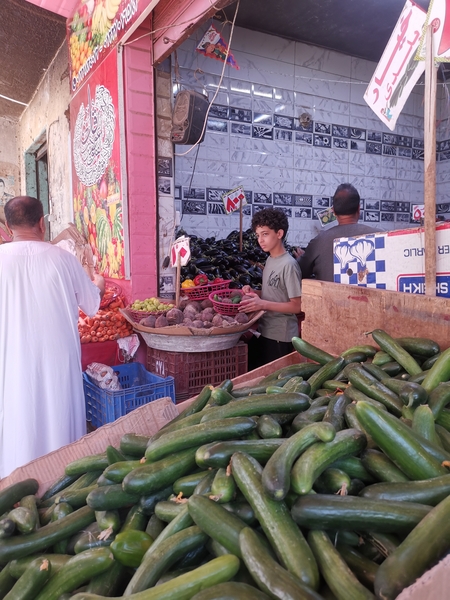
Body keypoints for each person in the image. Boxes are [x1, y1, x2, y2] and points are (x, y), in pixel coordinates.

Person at [0, 196, 105, 478]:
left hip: (12, 359)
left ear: (8, 227)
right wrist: (100, 283)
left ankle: (16, 481)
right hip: (58, 358)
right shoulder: (63, 259)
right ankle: (63, 480)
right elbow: (93, 304)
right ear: (41, 224)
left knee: (17, 414)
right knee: (61, 413)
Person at [239, 207, 302, 370]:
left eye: (265, 234)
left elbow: (297, 305)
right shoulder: (269, 260)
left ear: (279, 234)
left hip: (282, 336)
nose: (260, 240)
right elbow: (272, 293)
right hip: (265, 331)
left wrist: (262, 304)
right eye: (258, 235)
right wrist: (254, 293)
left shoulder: (289, 264)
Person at [295, 183, 379, 281]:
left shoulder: (318, 242)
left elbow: (298, 272)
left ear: (333, 211)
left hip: (329, 296)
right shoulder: (380, 236)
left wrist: (302, 259)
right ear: (358, 209)